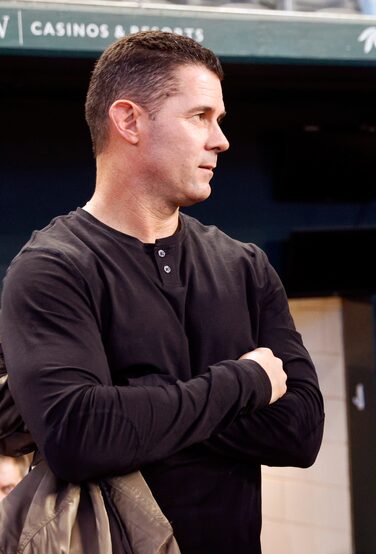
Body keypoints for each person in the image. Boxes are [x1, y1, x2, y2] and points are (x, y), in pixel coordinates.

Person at [0, 31, 324, 553]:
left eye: (219, 120)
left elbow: (301, 431)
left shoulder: (244, 265)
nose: (221, 140)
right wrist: (244, 382)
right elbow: (80, 438)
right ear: (129, 120)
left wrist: (132, 403)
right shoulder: (51, 270)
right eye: (200, 117)